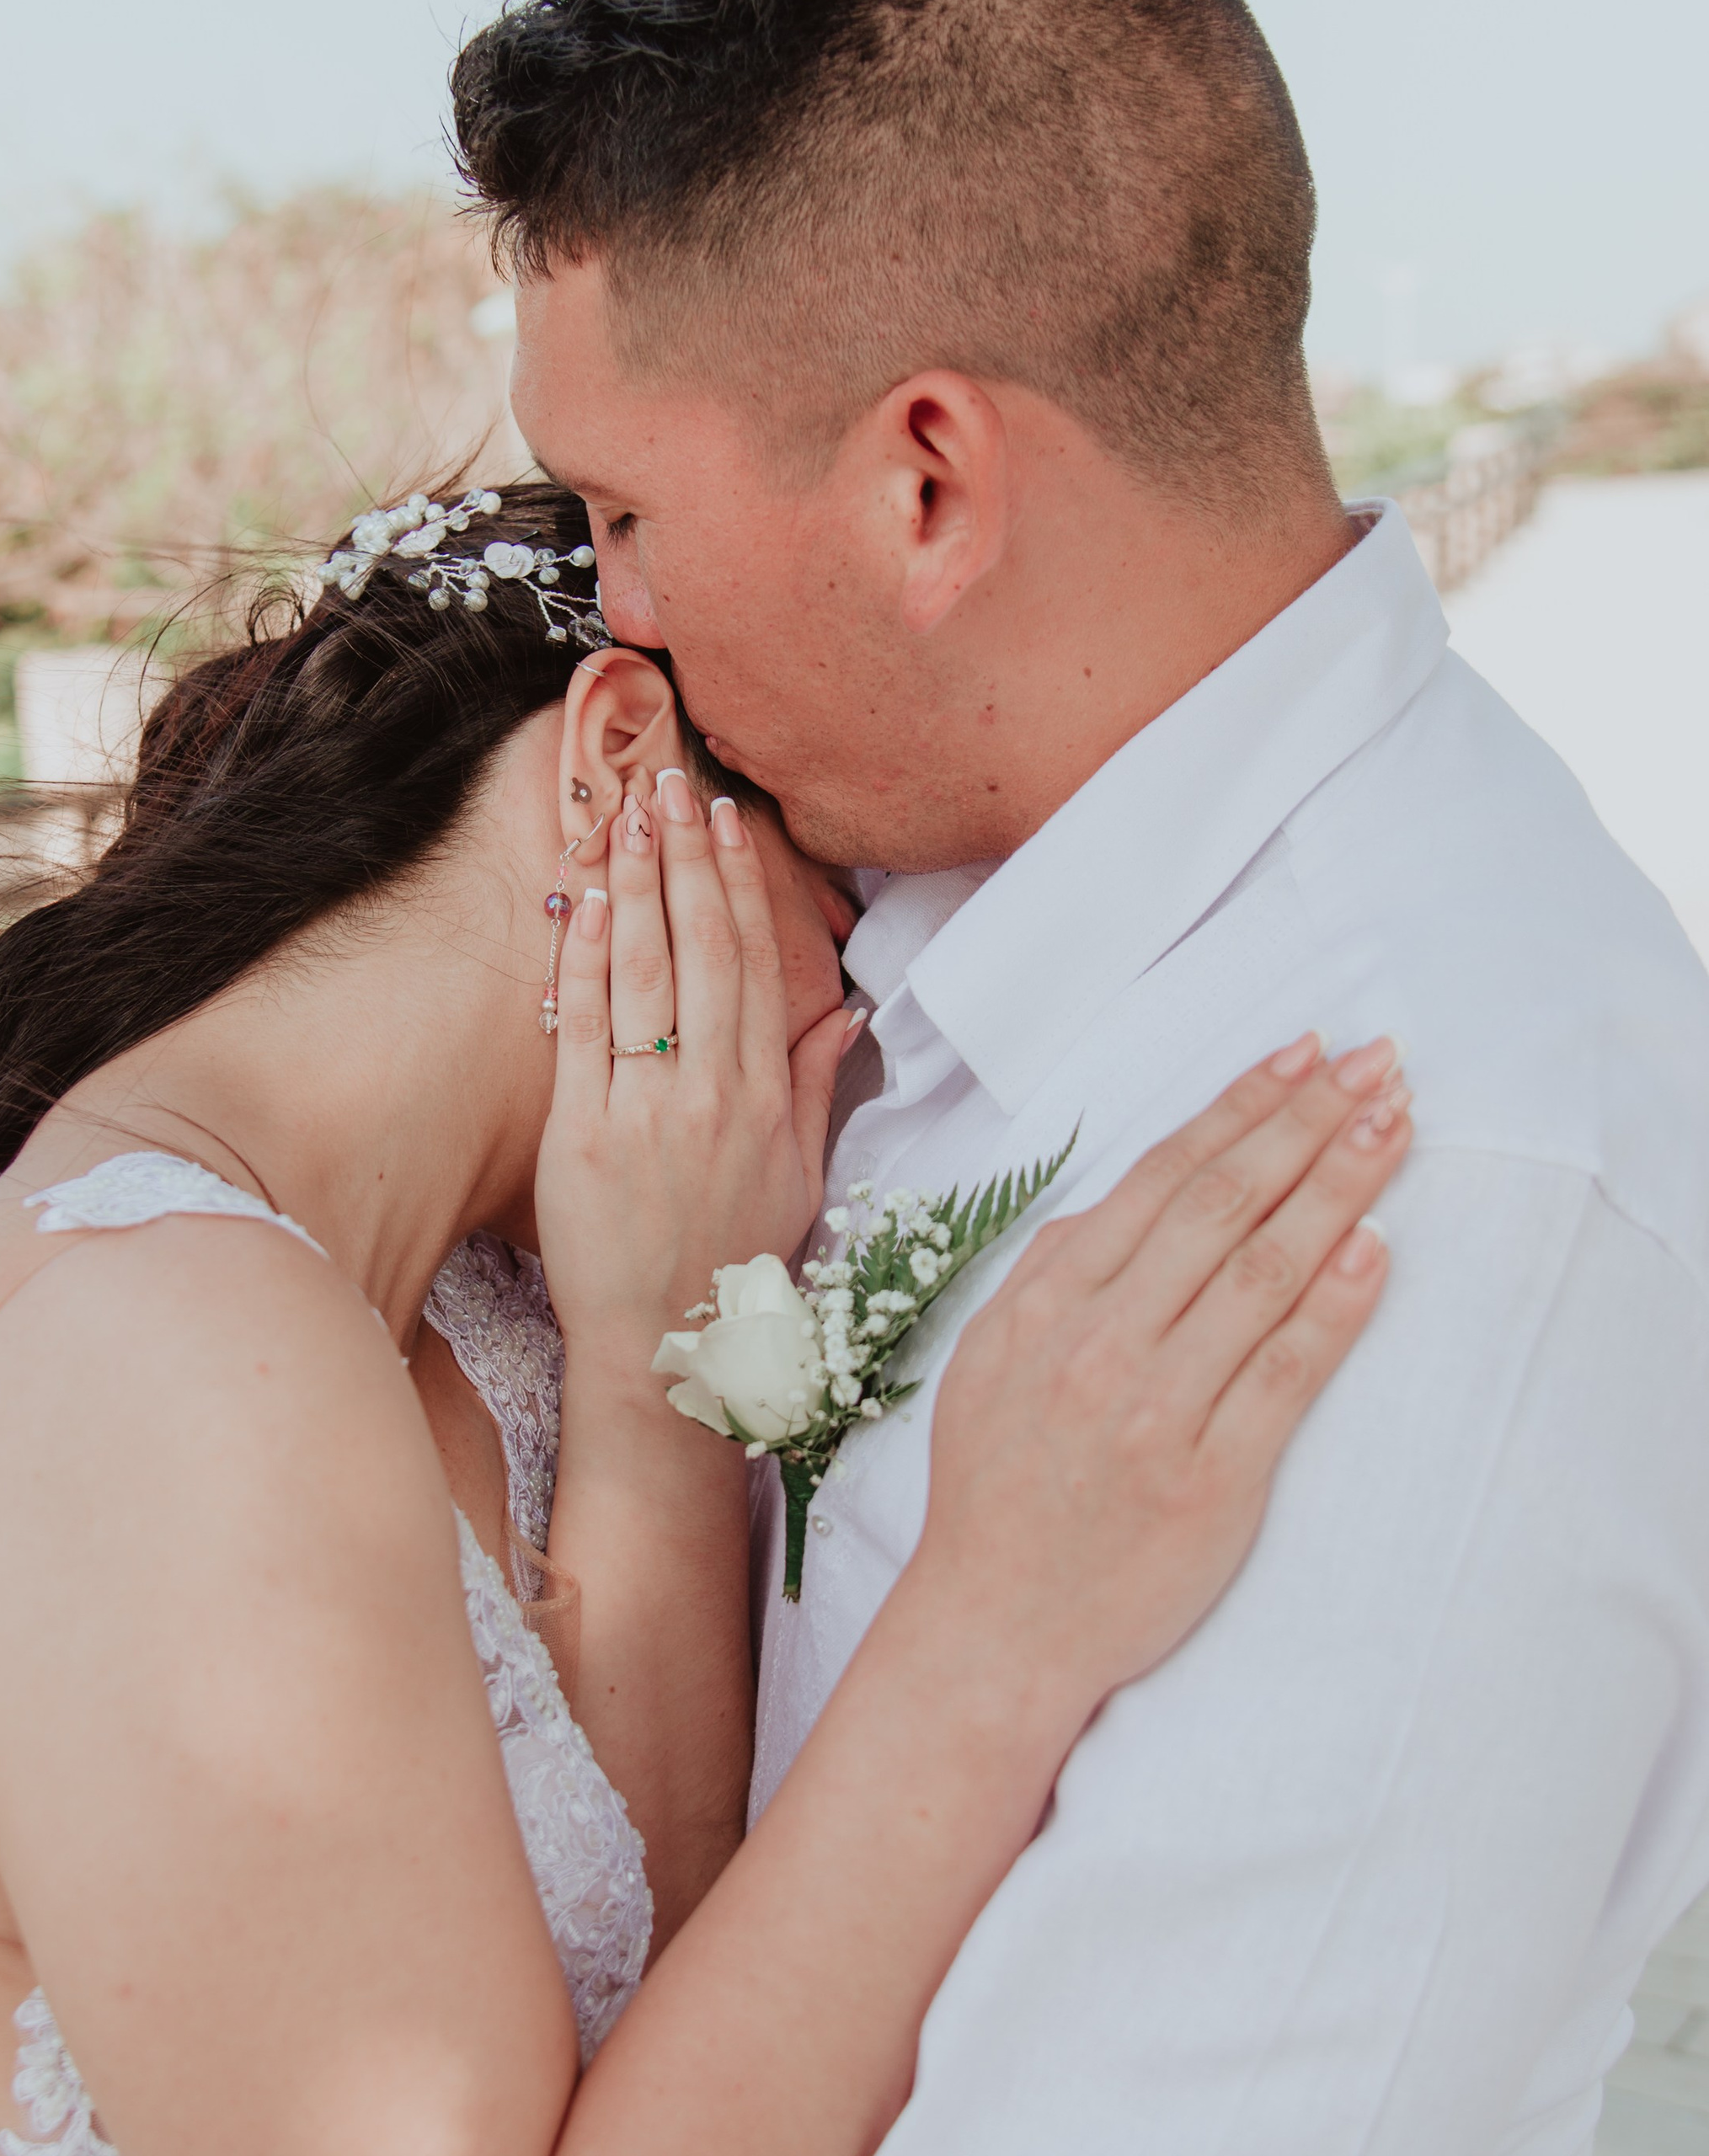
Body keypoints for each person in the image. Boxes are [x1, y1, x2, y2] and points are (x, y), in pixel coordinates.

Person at [0, 482, 1409, 2154]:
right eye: (843, 895)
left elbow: (647, 1998)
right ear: (618, 760)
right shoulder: (154, 1363)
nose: (865, 1016)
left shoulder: (467, 1300)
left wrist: (655, 1371)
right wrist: (998, 1630)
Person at [451, 3, 1709, 2150]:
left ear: (927, 479)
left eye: (623, 509)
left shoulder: (1420, 1192)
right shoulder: (923, 915)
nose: (607, 616)